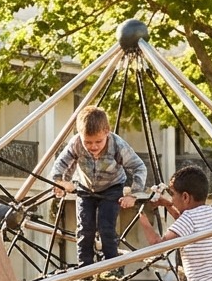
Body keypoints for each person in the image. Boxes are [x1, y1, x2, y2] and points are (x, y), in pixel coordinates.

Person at [49, 105, 147, 267]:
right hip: (85, 188)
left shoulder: (117, 145)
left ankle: (111, 265)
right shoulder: (76, 144)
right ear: (79, 135)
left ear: (107, 131)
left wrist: (133, 194)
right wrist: (59, 182)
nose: (93, 146)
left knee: (106, 227)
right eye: (88, 142)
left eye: (98, 141)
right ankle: (85, 266)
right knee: (84, 228)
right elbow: (60, 164)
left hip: (112, 187)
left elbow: (139, 167)